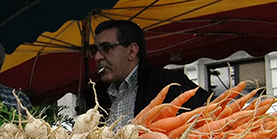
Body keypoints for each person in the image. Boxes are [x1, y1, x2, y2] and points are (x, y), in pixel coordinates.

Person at [79, 19, 211, 126]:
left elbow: (212, 114)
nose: (97, 57)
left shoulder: (168, 84)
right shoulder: (97, 96)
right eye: (94, 50)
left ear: (131, 51)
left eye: (106, 48)